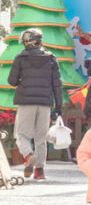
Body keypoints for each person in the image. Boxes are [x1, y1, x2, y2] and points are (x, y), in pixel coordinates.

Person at [8, 28, 63, 180]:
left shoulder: (21, 58)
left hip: (26, 102)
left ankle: (28, 155)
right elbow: (57, 84)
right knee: (41, 137)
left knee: (21, 135)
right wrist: (59, 106)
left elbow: (12, 81)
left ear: (27, 42)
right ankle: (39, 171)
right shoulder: (51, 58)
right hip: (45, 103)